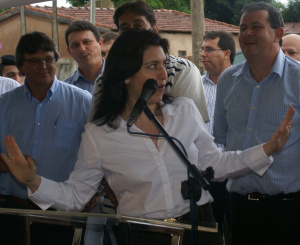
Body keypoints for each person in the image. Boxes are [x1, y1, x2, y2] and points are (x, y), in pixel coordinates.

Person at [1, 29, 294, 245]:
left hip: (199, 228)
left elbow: (213, 163)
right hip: (142, 236)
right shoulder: (101, 133)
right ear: (127, 74)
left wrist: (266, 149)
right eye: (152, 66)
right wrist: (33, 182)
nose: (164, 74)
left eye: (163, 65)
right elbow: (76, 196)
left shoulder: (184, 110)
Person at [213, 2, 300, 245]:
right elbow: (220, 139)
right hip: (240, 208)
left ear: (278, 34)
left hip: (289, 210)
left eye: (256, 27)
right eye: (242, 28)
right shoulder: (227, 80)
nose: (246, 34)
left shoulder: (298, 79)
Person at [0, 31, 91, 245]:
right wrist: (8, 164)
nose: (43, 66)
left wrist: (95, 191)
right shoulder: (3, 106)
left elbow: (97, 154)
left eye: (48, 59)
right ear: (21, 66)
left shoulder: (82, 102)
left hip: (61, 213)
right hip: (13, 211)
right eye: (34, 61)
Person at [88, 0, 209, 123]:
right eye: (125, 29)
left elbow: (192, 127)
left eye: (138, 26)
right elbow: (97, 124)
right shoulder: (105, 79)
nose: (132, 33)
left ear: (155, 29)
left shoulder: (183, 71)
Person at [201, 30, 236, 244]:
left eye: (209, 49)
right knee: (207, 235)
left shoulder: (242, 84)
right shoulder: (193, 86)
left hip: (235, 175)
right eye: (202, 49)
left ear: (226, 53)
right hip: (203, 176)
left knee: (236, 233)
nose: (203, 54)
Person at [64, 20, 105, 94]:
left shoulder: (122, 79)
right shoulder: (65, 90)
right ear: (69, 52)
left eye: (86, 42)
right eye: (75, 45)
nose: (82, 49)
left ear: (100, 43)